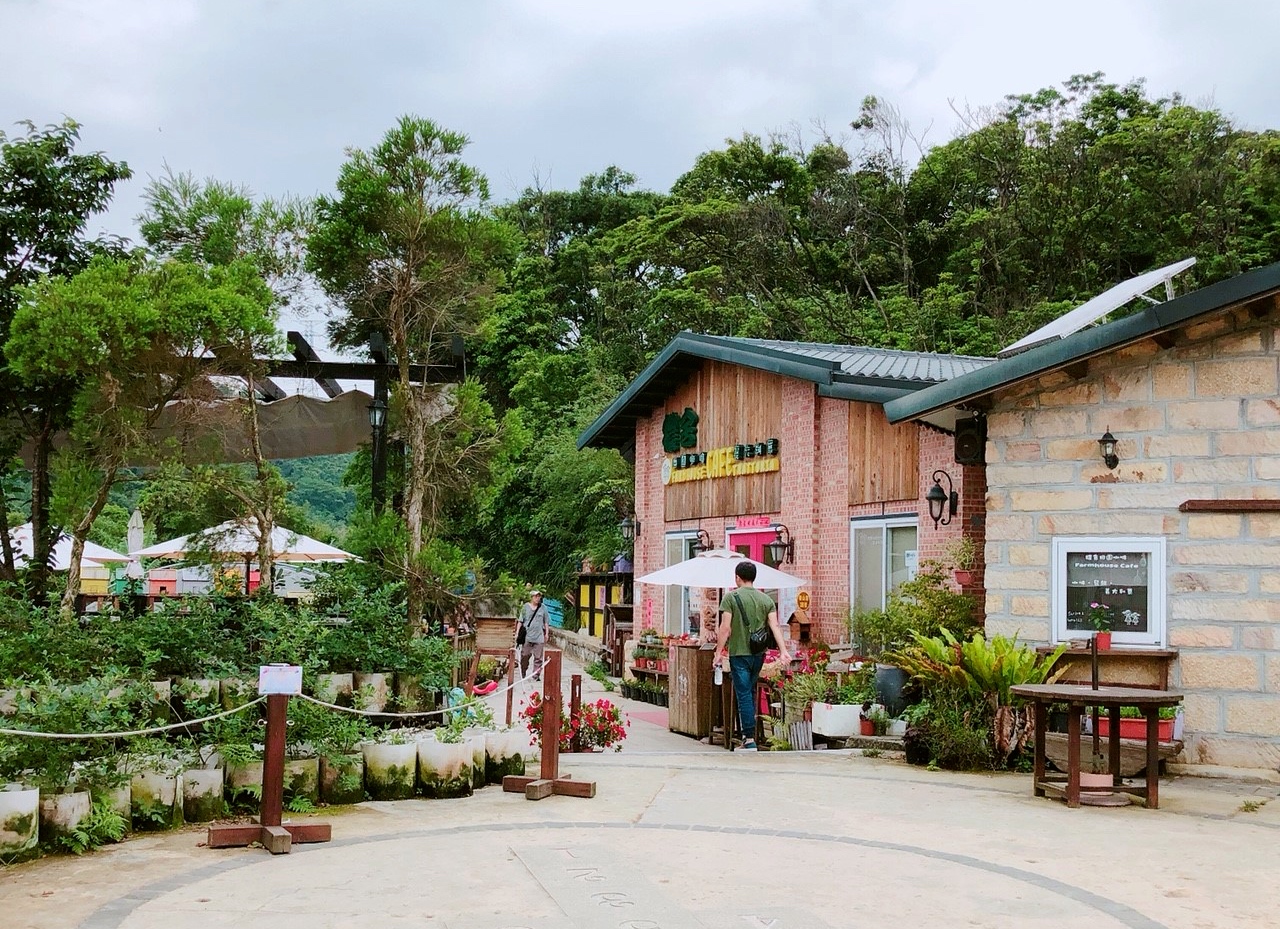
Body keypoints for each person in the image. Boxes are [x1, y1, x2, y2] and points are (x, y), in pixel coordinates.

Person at [714, 561, 792, 751]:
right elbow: (774, 626)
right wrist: (783, 651)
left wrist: (718, 653)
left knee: (744, 695)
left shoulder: (731, 598)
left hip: (739, 653)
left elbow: (725, 629)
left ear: (737, 577)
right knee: (750, 691)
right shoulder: (766, 600)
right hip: (758, 654)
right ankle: (749, 736)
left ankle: (749, 739)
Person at [518, 589, 549, 681]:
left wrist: (546, 633)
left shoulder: (543, 608)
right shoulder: (525, 607)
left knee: (538, 657)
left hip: (539, 636)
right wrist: (517, 633)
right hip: (527, 636)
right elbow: (520, 620)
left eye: (539, 596)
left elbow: (546, 622)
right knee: (525, 655)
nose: (537, 598)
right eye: (536, 596)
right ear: (531, 597)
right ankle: (523, 670)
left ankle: (536, 675)